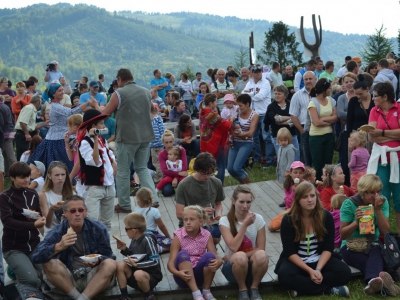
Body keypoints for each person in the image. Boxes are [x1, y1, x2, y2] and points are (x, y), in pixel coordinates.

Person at [275, 182, 352, 297]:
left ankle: (301, 289)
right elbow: (289, 252)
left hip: (319, 259)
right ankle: (329, 290)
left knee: (344, 272)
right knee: (284, 276)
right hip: (297, 261)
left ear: (316, 196)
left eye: (312, 196)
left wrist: (318, 270)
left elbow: (328, 248)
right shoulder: (288, 219)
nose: (310, 200)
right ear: (298, 200)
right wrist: (310, 271)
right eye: (305, 197)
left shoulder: (326, 216)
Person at [32, 195, 117, 300]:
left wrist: (99, 259)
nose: (77, 214)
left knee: (110, 263)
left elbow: (109, 255)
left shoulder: (99, 229)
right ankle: (78, 297)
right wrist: (58, 246)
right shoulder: (58, 231)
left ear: (85, 212)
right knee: (49, 262)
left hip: (93, 278)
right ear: (65, 213)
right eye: (73, 211)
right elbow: (36, 256)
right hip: (67, 279)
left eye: (80, 210)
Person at [102, 68, 159, 212]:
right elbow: (152, 110)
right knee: (142, 168)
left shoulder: (118, 93)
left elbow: (106, 114)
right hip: (145, 136)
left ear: (120, 79)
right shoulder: (146, 92)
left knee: (123, 170)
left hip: (127, 137)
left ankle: (124, 204)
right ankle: (154, 199)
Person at [340, 174, 400, 296]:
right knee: (374, 260)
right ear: (362, 192)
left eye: (378, 191)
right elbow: (343, 235)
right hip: (352, 246)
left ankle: (373, 282)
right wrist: (355, 223)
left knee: (376, 251)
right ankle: (385, 282)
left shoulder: (382, 201)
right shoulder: (349, 204)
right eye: (371, 192)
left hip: (374, 244)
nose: (376, 195)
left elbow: (385, 232)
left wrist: (378, 210)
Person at [27, 81, 98, 173]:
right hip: (59, 139)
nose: (63, 92)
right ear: (53, 94)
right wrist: (87, 102)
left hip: (60, 137)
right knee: (66, 163)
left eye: (62, 90)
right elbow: (71, 112)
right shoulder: (55, 106)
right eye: (60, 91)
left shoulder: (56, 105)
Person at [0, 162, 46, 288]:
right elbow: (7, 222)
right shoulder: (5, 197)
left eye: (28, 177)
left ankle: (21, 268)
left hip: (34, 244)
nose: (26, 180)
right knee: (33, 281)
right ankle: (17, 269)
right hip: (13, 247)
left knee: (50, 277)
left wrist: (38, 220)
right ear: (13, 178)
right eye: (22, 177)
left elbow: (40, 217)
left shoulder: (33, 194)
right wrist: (33, 225)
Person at [219, 186, 269, 300]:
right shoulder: (224, 220)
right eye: (241, 202)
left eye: (248, 202)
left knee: (261, 255)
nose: (245, 206)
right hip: (233, 269)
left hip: (252, 268)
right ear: (233, 201)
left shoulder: (258, 219)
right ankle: (242, 290)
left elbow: (261, 248)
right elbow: (233, 246)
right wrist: (244, 225)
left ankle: (254, 288)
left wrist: (234, 256)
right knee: (240, 256)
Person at [168, 205, 223, 300]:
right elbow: (170, 263)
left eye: (192, 219)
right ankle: (196, 294)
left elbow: (216, 256)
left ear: (201, 222)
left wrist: (219, 262)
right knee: (182, 254)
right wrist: (177, 273)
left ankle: (206, 291)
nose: (188, 223)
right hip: (183, 277)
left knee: (210, 255)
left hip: (200, 276)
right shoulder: (178, 236)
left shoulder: (206, 235)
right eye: (185, 220)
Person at [367, 81, 400, 233]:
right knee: (381, 196)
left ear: (385, 97)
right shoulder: (374, 110)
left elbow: (377, 134)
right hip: (381, 160)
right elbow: (372, 136)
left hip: (398, 159)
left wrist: (382, 133)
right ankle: (383, 236)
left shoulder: (399, 108)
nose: (373, 98)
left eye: (375, 96)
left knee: (399, 198)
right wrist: (393, 135)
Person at [77, 109, 117, 230]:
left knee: (107, 222)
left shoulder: (103, 140)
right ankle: (92, 247)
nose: (104, 126)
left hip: (109, 185)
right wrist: (94, 139)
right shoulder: (85, 142)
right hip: (94, 187)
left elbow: (110, 156)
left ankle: (105, 246)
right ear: (93, 126)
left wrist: (114, 163)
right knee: (92, 221)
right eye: (101, 123)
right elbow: (95, 161)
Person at [175, 152, 224, 245]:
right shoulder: (184, 185)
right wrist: (201, 212)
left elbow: (218, 204)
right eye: (204, 173)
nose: (207, 177)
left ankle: (210, 250)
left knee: (216, 234)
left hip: (209, 221)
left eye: (210, 173)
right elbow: (179, 213)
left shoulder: (216, 182)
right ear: (197, 169)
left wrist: (218, 216)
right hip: (189, 222)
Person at [116, 212, 162, 300]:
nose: (125, 231)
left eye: (126, 228)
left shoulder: (147, 240)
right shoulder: (134, 239)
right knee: (119, 265)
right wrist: (124, 249)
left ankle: (148, 296)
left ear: (134, 230)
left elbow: (155, 261)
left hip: (150, 278)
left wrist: (137, 265)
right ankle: (124, 296)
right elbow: (135, 256)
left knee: (138, 274)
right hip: (137, 275)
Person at [242, 65, 274, 168]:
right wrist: (254, 93)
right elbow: (243, 95)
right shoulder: (249, 82)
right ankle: (257, 159)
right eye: (255, 72)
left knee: (267, 137)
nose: (258, 73)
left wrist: (250, 94)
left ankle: (269, 160)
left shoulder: (265, 82)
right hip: (253, 114)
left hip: (264, 113)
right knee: (254, 137)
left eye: (259, 71)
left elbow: (261, 96)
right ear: (252, 73)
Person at [199, 93, 233, 184]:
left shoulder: (202, 112)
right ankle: (219, 185)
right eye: (215, 102)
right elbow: (225, 125)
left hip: (205, 143)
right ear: (211, 103)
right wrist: (232, 119)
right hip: (214, 143)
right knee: (221, 165)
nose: (216, 104)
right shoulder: (211, 114)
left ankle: (208, 183)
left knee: (208, 164)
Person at [308, 78, 338, 180]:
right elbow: (316, 123)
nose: (331, 90)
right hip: (316, 137)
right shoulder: (313, 102)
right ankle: (317, 185)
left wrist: (323, 119)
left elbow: (335, 117)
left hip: (329, 136)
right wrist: (329, 121)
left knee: (328, 163)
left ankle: (327, 184)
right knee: (318, 164)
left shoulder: (332, 100)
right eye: (329, 88)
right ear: (323, 89)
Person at [227, 94, 258, 183]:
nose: (239, 107)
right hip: (235, 142)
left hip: (246, 143)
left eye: (241, 105)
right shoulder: (237, 112)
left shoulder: (254, 115)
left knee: (237, 167)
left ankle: (250, 185)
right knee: (230, 169)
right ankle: (243, 184)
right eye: (238, 105)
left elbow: (251, 133)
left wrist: (238, 134)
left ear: (247, 104)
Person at [264, 85, 299, 161]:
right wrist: (291, 118)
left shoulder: (291, 104)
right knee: (282, 159)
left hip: (292, 134)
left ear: (285, 95)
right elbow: (276, 120)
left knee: (295, 158)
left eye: (279, 94)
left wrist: (282, 120)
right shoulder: (271, 106)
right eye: (275, 93)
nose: (276, 96)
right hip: (278, 136)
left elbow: (296, 119)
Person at [290, 71, 317, 167]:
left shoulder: (320, 94)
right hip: (304, 128)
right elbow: (293, 115)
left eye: (310, 79)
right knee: (306, 155)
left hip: (319, 127)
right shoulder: (297, 95)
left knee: (317, 154)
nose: (308, 81)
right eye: (306, 79)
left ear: (315, 79)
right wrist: (302, 131)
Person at [268, 161, 305, 232]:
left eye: (300, 173)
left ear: (303, 174)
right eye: (295, 172)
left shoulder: (306, 185)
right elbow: (288, 203)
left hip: (303, 211)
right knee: (271, 227)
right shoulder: (288, 185)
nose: (298, 175)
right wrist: (293, 192)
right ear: (290, 173)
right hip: (291, 211)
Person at [39, 160, 73, 235]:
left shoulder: (72, 193)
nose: (60, 178)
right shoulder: (44, 195)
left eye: (63, 174)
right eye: (57, 175)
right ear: (49, 176)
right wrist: (51, 210)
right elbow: (47, 224)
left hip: (69, 232)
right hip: (51, 234)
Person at [134, 187, 172, 253]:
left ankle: (144, 249)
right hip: (152, 236)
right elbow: (162, 226)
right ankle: (159, 249)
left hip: (139, 236)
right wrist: (169, 237)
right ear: (151, 198)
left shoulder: (136, 210)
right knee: (174, 244)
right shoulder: (154, 211)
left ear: (139, 201)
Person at [346, 74, 375, 152]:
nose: (358, 96)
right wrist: (349, 140)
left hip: (371, 134)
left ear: (367, 89)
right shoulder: (353, 101)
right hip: (357, 135)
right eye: (356, 94)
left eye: (361, 94)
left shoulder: (375, 100)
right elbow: (349, 120)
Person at [14, 95, 46, 161]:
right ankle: (20, 170)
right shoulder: (29, 108)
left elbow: (32, 127)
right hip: (22, 134)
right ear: (38, 102)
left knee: (27, 155)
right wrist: (27, 134)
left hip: (26, 133)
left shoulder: (33, 109)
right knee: (23, 154)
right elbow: (22, 122)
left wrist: (45, 123)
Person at [158, 130, 188, 197]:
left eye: (171, 142)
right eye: (166, 142)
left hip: (181, 176)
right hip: (169, 176)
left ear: (174, 141)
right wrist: (177, 173)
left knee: (187, 188)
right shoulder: (161, 154)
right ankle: (175, 190)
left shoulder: (181, 150)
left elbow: (184, 167)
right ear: (163, 142)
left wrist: (176, 177)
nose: (169, 145)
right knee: (166, 192)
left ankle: (179, 190)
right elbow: (164, 170)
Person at [0, 96, 17, 174]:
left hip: (5, 132)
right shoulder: (5, 106)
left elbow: (1, 122)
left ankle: (18, 172)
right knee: (5, 154)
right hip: (11, 130)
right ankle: (7, 172)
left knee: (10, 155)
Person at [150, 105, 165, 184]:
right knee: (160, 161)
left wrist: (155, 145)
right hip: (161, 145)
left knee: (156, 163)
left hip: (156, 146)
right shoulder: (160, 120)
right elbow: (162, 133)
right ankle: (160, 176)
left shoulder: (153, 123)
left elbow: (155, 135)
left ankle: (158, 178)